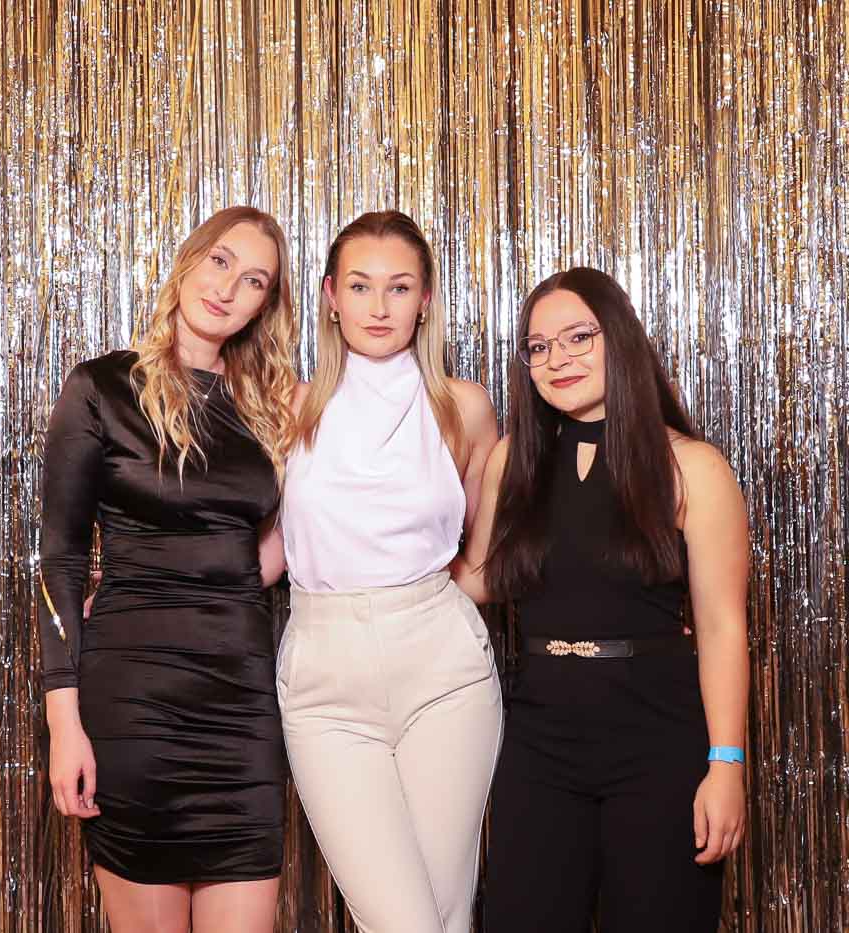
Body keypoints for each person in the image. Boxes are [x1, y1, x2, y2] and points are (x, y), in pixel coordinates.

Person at [454, 268, 750, 932]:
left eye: (578, 337)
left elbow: (722, 627)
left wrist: (726, 764)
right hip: (540, 738)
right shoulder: (513, 460)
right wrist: (381, 537)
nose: (557, 358)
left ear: (619, 338)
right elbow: (479, 579)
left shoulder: (692, 467)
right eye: (538, 346)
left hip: (658, 742)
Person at [38, 206, 299, 933]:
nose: (227, 288)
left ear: (265, 305)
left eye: (254, 280)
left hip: (241, 703)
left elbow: (265, 554)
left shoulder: (270, 407)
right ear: (188, 260)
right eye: (220, 261)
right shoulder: (101, 388)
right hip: (135, 703)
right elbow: (61, 558)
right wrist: (64, 725)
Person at [273, 210, 503, 933]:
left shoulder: (463, 407)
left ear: (425, 300)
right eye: (360, 286)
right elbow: (261, 550)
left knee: (446, 913)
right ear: (330, 297)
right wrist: (144, 583)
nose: (379, 306)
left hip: (443, 667)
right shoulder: (289, 407)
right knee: (403, 921)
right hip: (324, 673)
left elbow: (483, 559)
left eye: (399, 287)